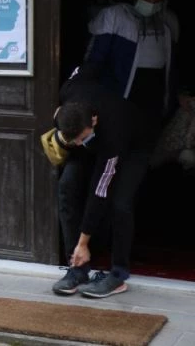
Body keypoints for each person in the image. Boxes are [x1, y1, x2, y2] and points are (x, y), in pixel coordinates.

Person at [51, 64, 147, 298]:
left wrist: (85, 241)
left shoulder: (114, 131)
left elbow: (100, 190)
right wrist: (71, 139)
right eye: (71, 140)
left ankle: (118, 275)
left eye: (80, 138)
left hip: (134, 145)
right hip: (92, 139)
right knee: (67, 186)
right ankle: (78, 268)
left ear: (93, 121)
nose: (74, 144)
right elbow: (85, 67)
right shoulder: (69, 92)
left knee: (119, 203)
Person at [84, 0, 181, 139]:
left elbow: (174, 64)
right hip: (120, 92)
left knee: (146, 142)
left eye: (156, 1)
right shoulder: (114, 16)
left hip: (154, 94)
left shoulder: (168, 21)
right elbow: (94, 60)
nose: (151, 5)